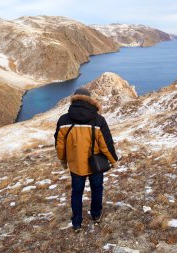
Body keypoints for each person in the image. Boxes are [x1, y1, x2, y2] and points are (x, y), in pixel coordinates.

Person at [54, 88, 118, 233]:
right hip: (95, 165)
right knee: (97, 189)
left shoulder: (64, 120)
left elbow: (59, 144)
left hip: (76, 165)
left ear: (74, 100)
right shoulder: (98, 120)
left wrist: (63, 160)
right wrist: (113, 160)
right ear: (90, 100)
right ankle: (96, 215)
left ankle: (77, 223)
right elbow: (106, 144)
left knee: (77, 193)